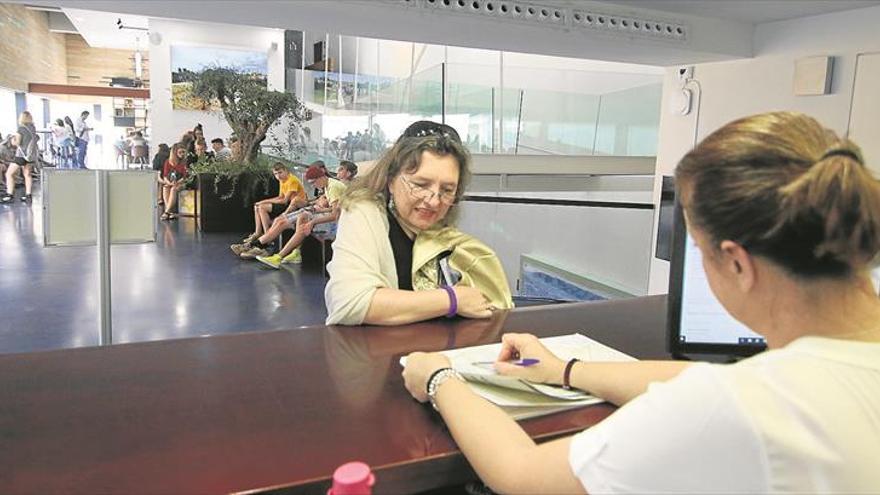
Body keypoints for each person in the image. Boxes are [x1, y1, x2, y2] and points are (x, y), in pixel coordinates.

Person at [402, 111, 880, 494]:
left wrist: (439, 377)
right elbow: (709, 378)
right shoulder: (824, 369)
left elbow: (523, 474)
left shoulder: (739, 409)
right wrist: (563, 370)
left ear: (737, 263)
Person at [324, 120, 513, 326]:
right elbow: (350, 302)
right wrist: (452, 299)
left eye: (447, 190)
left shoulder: (445, 237)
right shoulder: (365, 211)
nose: (434, 201)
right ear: (391, 181)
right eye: (420, 185)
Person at [254, 164, 348, 268]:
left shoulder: (333, 187)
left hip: (340, 223)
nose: (313, 186)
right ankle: (289, 253)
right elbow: (334, 208)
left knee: (302, 219)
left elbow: (336, 215)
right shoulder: (328, 185)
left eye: (313, 183)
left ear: (320, 177)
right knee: (300, 217)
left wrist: (312, 222)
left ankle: (274, 252)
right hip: (335, 217)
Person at [231, 162, 307, 254]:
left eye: (280, 172)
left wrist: (263, 202)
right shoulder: (282, 180)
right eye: (275, 174)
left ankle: (267, 236)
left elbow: (284, 201)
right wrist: (262, 202)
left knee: (262, 207)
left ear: (286, 171)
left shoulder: (292, 180)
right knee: (257, 206)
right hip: (287, 204)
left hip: (293, 206)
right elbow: (280, 197)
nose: (278, 176)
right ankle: (258, 233)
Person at [2, 111, 39, 204]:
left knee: (9, 174)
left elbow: (17, 143)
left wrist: (12, 140)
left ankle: (9, 195)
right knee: (28, 174)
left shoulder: (21, 129)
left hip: (21, 155)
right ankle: (28, 195)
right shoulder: (32, 128)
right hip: (30, 155)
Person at [159, 143, 187, 220]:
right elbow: (165, 176)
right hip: (171, 182)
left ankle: (167, 211)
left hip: (182, 182)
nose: (182, 154)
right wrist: (169, 183)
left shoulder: (185, 162)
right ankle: (171, 212)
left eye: (183, 152)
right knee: (165, 187)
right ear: (175, 153)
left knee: (174, 189)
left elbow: (185, 177)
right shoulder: (168, 162)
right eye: (180, 152)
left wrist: (177, 182)